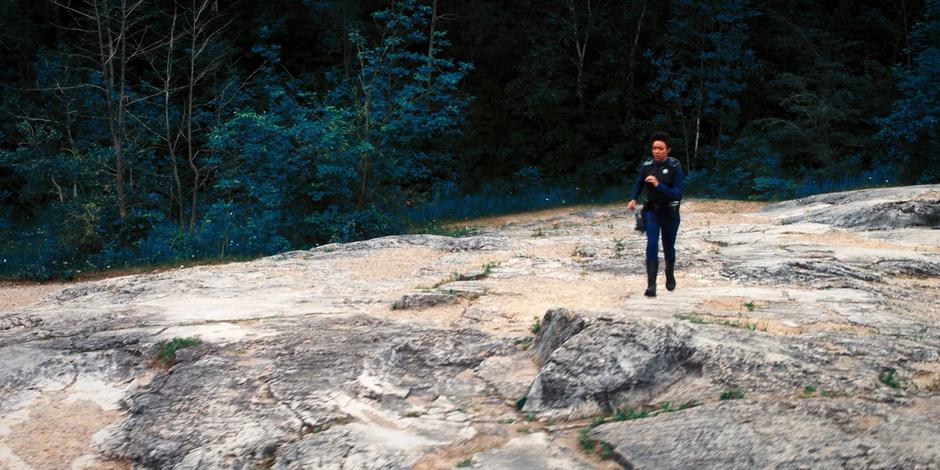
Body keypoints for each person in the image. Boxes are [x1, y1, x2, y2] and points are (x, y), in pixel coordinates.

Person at [627, 132, 683, 297]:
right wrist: (633, 199)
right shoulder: (647, 166)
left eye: (661, 148)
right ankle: (651, 285)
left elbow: (677, 194)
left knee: (668, 247)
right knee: (651, 245)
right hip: (652, 212)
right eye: (654, 148)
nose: (657, 151)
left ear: (668, 149)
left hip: (670, 213)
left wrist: (658, 185)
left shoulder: (674, 167)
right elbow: (638, 183)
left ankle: (669, 273)